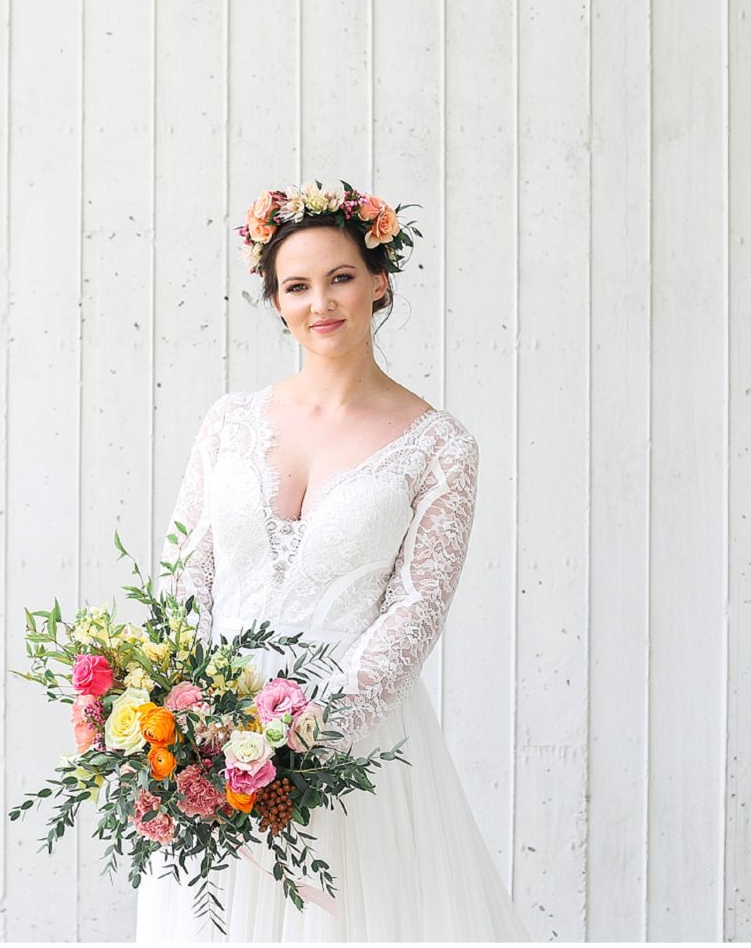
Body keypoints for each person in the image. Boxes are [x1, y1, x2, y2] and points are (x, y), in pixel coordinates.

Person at [132, 180, 530, 941]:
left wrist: (304, 740)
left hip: (351, 746)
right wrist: (194, 722)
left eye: (341, 277)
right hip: (211, 741)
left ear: (379, 281)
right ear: (276, 300)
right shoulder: (229, 421)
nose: (322, 302)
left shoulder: (441, 445)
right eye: (298, 285)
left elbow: (414, 610)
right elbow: (185, 571)